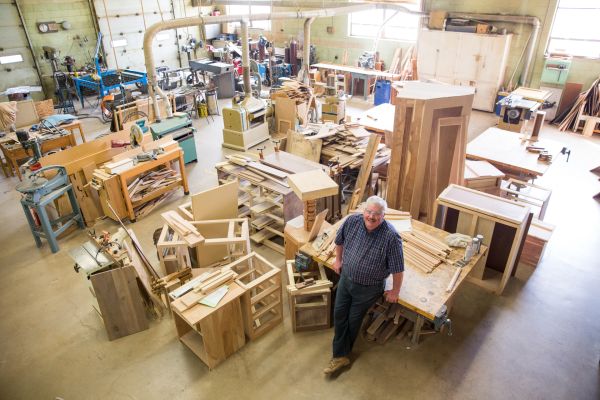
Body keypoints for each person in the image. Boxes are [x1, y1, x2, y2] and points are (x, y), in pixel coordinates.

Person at [324, 196, 404, 375]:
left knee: (353, 320)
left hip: (368, 288)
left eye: (376, 214)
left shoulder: (391, 237)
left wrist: (395, 290)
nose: (371, 216)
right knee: (339, 314)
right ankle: (341, 349)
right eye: (368, 212)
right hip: (346, 279)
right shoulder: (352, 221)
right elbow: (339, 240)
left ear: (383, 216)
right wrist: (338, 260)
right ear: (363, 211)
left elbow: (398, 269)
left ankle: (341, 356)